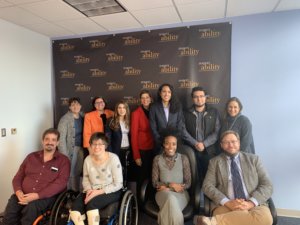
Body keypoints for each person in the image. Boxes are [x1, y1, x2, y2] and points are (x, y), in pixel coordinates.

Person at [193, 130, 273, 225]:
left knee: (266, 219)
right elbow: (207, 186)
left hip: (254, 204)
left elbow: (267, 185)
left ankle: (213, 221)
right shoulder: (214, 162)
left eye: (233, 141)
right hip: (225, 205)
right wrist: (227, 202)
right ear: (221, 145)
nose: (230, 145)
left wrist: (250, 203)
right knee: (254, 220)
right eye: (226, 142)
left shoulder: (254, 160)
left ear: (239, 143)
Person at [1, 128, 70, 225]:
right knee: (11, 207)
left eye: (53, 140)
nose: (50, 142)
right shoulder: (31, 157)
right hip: (23, 195)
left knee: (31, 207)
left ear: (58, 142)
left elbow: (61, 183)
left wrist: (36, 196)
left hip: (46, 198)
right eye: (47, 139)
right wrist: (18, 192)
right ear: (42, 141)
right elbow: (18, 177)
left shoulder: (63, 161)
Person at [69, 132, 123, 225]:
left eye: (100, 144)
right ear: (90, 145)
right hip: (92, 189)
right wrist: (89, 190)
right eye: (94, 144)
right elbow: (86, 179)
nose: (96, 147)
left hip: (110, 190)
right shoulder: (88, 159)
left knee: (92, 204)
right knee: (75, 209)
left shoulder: (113, 159)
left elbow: (118, 184)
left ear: (105, 145)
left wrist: (97, 192)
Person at [152, 130, 191, 225]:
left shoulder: (184, 158)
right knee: (170, 198)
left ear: (177, 145)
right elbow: (155, 182)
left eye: (174, 144)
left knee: (171, 203)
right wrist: (171, 186)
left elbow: (188, 182)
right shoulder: (157, 159)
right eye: (167, 144)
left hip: (181, 194)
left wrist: (169, 187)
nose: (170, 147)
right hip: (163, 193)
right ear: (163, 145)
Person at [184, 86, 221, 184]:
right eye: (196, 97)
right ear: (192, 99)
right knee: (193, 178)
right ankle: (195, 198)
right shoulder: (186, 113)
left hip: (209, 151)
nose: (199, 99)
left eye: (201, 96)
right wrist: (195, 143)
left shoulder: (214, 112)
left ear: (205, 97)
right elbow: (183, 131)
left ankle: (208, 198)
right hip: (191, 150)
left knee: (209, 179)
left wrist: (204, 144)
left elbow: (217, 132)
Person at [149, 83, 196, 153]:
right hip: (159, 144)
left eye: (169, 92)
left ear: (171, 94)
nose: (166, 94)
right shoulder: (154, 107)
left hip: (175, 144)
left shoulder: (178, 106)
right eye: (164, 91)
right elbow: (153, 127)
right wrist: (161, 141)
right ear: (160, 93)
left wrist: (174, 141)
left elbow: (180, 124)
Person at [130, 90, 155, 202]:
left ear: (150, 99)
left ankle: (151, 198)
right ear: (140, 100)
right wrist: (136, 156)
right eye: (143, 98)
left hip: (154, 148)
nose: (145, 100)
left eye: (147, 97)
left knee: (153, 175)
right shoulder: (136, 113)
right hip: (142, 150)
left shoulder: (154, 111)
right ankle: (140, 202)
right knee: (142, 177)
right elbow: (133, 135)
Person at [57, 97, 84, 191]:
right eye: (73, 105)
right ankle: (69, 193)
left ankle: (76, 191)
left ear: (80, 106)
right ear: (69, 107)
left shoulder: (82, 116)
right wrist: (64, 155)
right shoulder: (65, 119)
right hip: (71, 150)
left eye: (77, 104)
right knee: (70, 172)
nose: (75, 106)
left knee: (78, 172)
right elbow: (60, 139)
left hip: (81, 149)